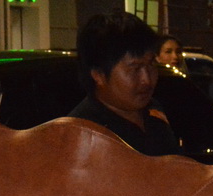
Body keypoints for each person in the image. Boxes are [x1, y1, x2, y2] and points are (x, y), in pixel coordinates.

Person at [69, 12, 180, 156]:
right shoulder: (82, 134)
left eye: (151, 64)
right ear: (98, 75)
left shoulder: (154, 112)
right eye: (135, 69)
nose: (146, 79)